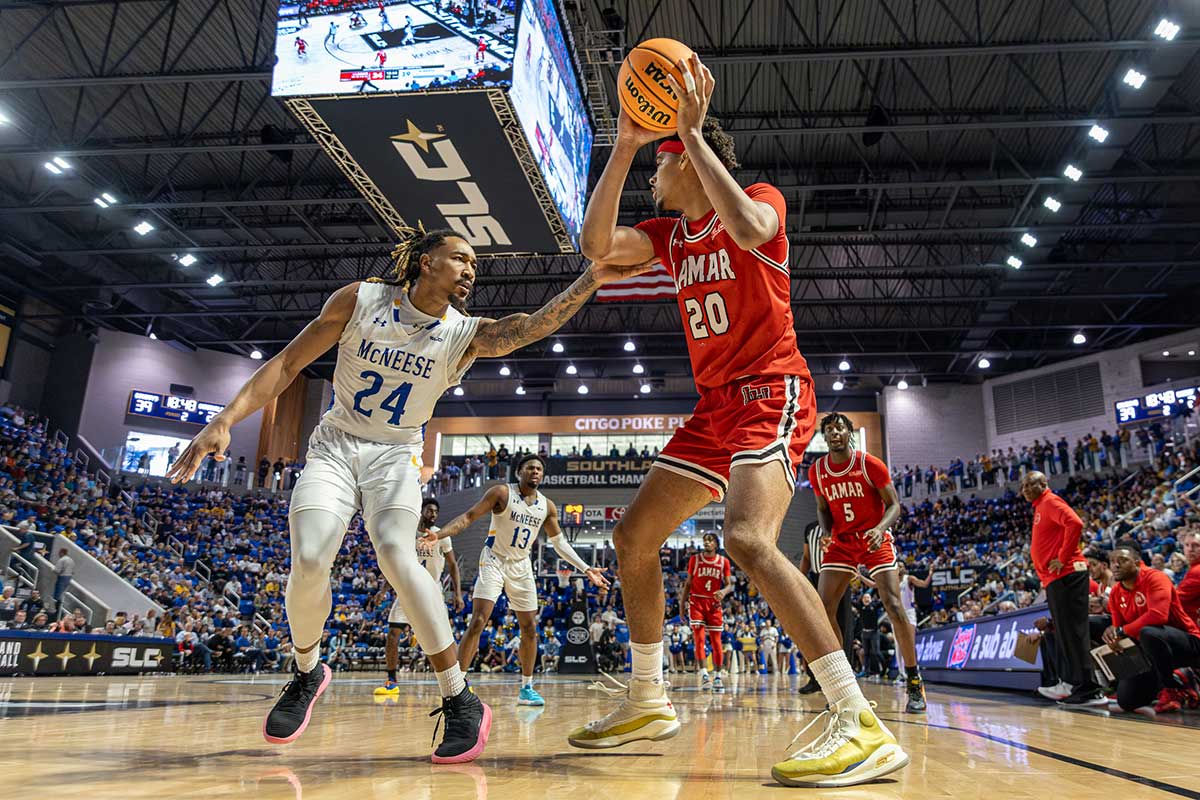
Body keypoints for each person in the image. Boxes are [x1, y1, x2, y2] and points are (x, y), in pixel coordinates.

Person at [167, 226, 649, 762]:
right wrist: (225, 418)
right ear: (425, 261)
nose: (471, 269)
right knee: (308, 559)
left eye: (474, 264)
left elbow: (528, 328)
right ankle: (307, 671)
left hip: (395, 456)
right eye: (460, 258)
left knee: (400, 556)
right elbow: (287, 365)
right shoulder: (359, 299)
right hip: (334, 447)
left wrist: (591, 279)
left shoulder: (462, 333)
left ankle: (459, 698)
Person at [571, 54, 908, 787]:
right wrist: (626, 146)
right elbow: (596, 246)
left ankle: (859, 722)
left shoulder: (760, 196)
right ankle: (648, 695)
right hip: (716, 407)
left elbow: (753, 229)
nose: (653, 186)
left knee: (749, 537)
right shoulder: (670, 239)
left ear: (687, 163)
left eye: (658, 167)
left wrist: (689, 132)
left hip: (773, 390)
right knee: (633, 537)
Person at [425, 454, 609, 706]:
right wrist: (440, 534)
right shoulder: (501, 492)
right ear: (519, 472)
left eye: (539, 469)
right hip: (494, 559)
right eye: (530, 468)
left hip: (522, 565)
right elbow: (468, 517)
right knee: (478, 619)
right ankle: (457, 685)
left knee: (530, 628)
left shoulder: (547, 506)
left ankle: (526, 687)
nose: (535, 472)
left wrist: (586, 568)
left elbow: (560, 544)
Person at [810, 413, 926, 712]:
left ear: (849, 433)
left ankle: (914, 681)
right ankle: (841, 684)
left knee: (894, 606)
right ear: (824, 437)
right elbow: (823, 508)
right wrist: (825, 533)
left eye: (839, 427)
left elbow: (894, 505)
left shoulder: (869, 464)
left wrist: (880, 528)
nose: (834, 432)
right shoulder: (818, 471)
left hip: (874, 538)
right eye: (829, 429)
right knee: (823, 610)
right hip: (842, 542)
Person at [1020, 471, 1105, 707]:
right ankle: (1071, 682)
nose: (1025, 489)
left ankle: (1087, 689)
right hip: (1056, 578)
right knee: (1065, 632)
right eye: (1023, 486)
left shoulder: (1051, 501)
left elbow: (1075, 523)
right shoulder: (1040, 507)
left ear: (1043, 484)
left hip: (1067, 574)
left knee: (1074, 632)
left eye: (1029, 484)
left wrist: (1062, 556)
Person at [375, 497, 462, 695]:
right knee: (392, 635)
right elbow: (396, 565)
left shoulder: (442, 536)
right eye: (430, 510)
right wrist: (383, 591)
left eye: (436, 512)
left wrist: (457, 594)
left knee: (444, 636)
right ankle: (391, 681)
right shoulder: (408, 535)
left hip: (432, 589)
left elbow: (453, 565)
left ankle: (458, 680)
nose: (433, 514)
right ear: (422, 511)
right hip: (407, 588)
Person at [1105, 539, 1200, 712]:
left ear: (1136, 563)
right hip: (1152, 650)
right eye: (1112, 561)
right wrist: (1114, 638)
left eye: (1122, 560)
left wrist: (1121, 630)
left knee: (1149, 632)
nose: (1116, 565)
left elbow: (1158, 616)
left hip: (1186, 641)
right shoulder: (1115, 594)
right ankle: (1168, 681)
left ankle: (1173, 686)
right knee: (1127, 701)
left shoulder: (1155, 577)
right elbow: (1120, 631)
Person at [678, 532, 733, 690]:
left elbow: (729, 585)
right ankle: (703, 674)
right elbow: (688, 583)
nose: (707, 543)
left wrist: (723, 591)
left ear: (716, 544)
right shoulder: (695, 559)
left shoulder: (723, 562)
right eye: (705, 540)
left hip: (714, 603)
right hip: (697, 601)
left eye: (710, 540)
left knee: (717, 642)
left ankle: (717, 676)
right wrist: (682, 605)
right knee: (699, 640)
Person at [1177, 529, 1200, 624]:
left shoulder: (1197, 571)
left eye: (1196, 545)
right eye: (1187, 545)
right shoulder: (1193, 568)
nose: (1190, 549)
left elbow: (1176, 598)